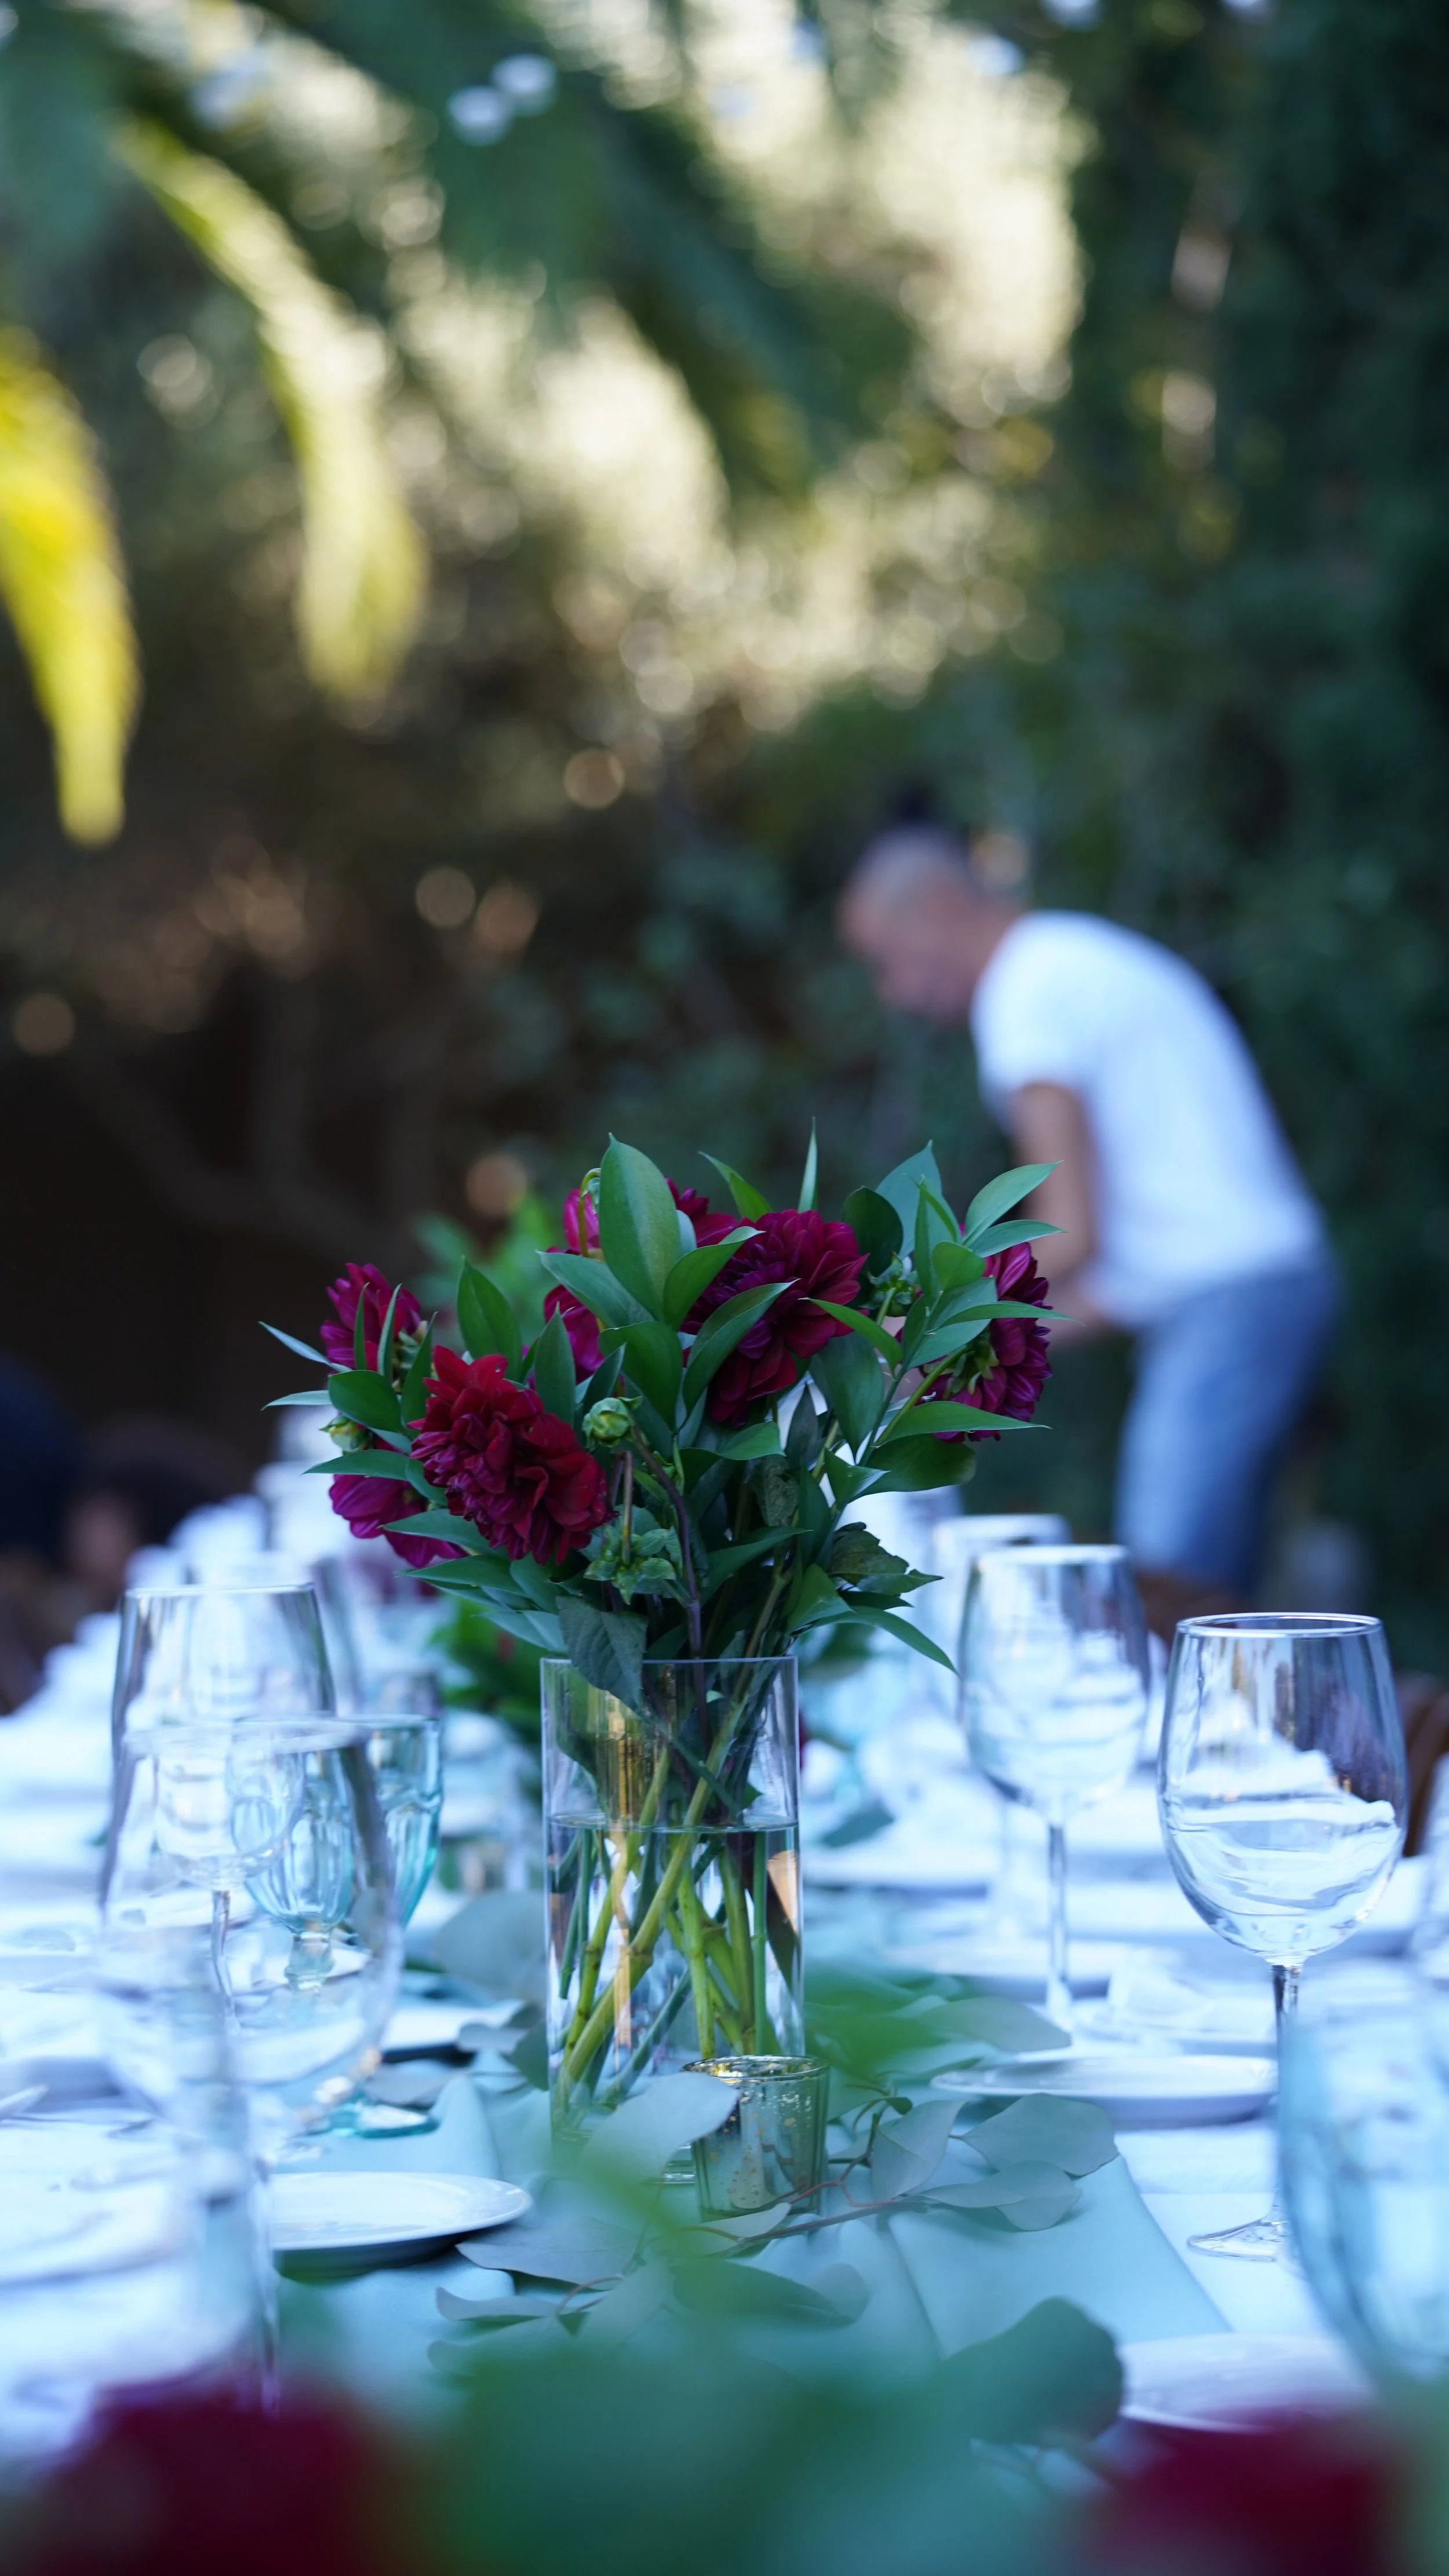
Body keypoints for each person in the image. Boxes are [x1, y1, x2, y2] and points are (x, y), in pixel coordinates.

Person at [839, 820, 1338, 1594]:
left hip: (1235, 1301)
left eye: (888, 960)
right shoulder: (1066, 961)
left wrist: (923, 1325)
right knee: (1208, 1597)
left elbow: (1064, 1231)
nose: (894, 993)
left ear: (938, 908)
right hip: (1260, 1287)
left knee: (1164, 1597)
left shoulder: (1027, 990)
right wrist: (962, 1354)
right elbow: (1121, 1264)